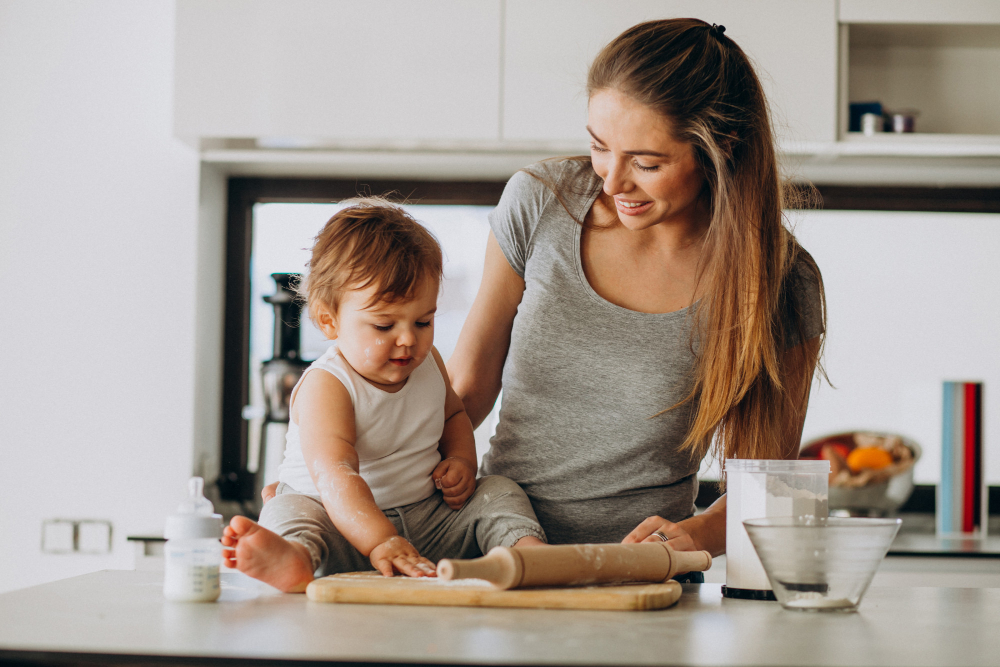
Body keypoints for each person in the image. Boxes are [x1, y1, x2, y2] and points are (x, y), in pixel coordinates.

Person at [447, 19, 825, 567]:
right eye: (599, 148)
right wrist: (329, 475)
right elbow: (464, 392)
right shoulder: (539, 203)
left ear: (720, 148)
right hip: (500, 557)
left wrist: (691, 537)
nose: (612, 181)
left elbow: (765, 484)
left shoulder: (780, 279)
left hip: (644, 578)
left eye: (646, 163)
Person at [224, 199, 546, 593]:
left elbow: (453, 418)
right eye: (383, 325)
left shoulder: (429, 364)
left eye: (423, 321)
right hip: (336, 521)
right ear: (329, 320)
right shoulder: (328, 385)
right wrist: (379, 539)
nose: (408, 339)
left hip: (426, 524)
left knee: (498, 490)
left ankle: (526, 553)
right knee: (289, 509)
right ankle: (295, 558)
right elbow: (336, 475)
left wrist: (461, 459)